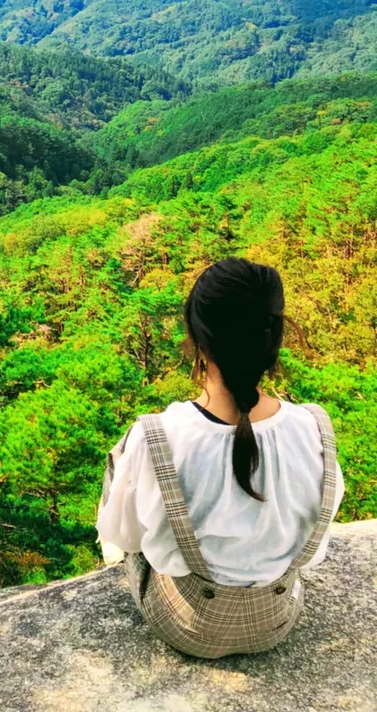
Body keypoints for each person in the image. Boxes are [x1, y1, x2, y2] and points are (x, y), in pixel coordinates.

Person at [96, 257, 344, 659]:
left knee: (123, 459)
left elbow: (128, 538)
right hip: (277, 621)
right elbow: (315, 539)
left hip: (187, 625)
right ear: (274, 337)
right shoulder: (314, 428)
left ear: (197, 340)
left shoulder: (158, 435)